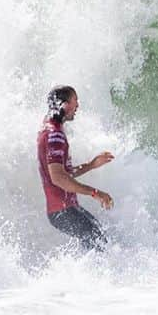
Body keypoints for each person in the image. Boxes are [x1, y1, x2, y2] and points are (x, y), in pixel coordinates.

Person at [37, 85, 114, 250]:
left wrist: (91, 165)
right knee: (100, 243)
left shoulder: (48, 129)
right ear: (64, 105)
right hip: (62, 211)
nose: (77, 105)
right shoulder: (54, 134)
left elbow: (63, 173)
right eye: (75, 101)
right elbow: (58, 178)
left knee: (99, 241)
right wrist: (95, 193)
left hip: (65, 210)